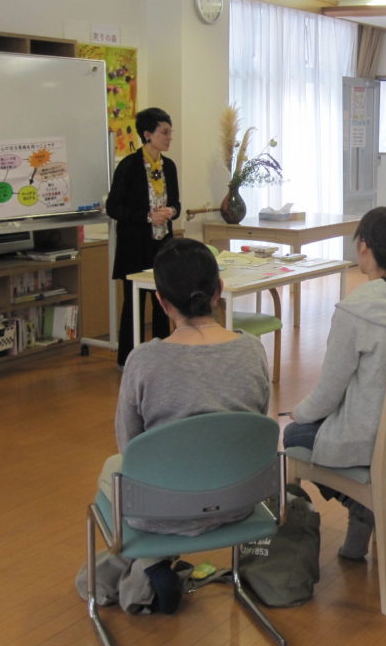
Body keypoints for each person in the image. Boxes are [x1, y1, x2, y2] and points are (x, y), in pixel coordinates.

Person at [93, 238, 270, 613]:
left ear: (161, 301)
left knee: (113, 467)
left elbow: (130, 448)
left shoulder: (143, 360)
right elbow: (253, 428)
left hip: (160, 510)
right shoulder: (252, 349)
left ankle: (147, 564)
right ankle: (149, 566)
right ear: (219, 291)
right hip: (237, 503)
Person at [283, 207, 386, 560]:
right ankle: (360, 519)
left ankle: (362, 503)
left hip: (374, 441)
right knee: (317, 425)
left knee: (294, 435)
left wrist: (299, 412)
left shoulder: (355, 310)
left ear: (364, 246)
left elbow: (327, 395)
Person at [106, 107, 181, 367]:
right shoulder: (129, 166)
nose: (169, 138)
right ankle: (129, 360)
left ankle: (161, 358)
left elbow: (176, 203)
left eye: (170, 132)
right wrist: (148, 217)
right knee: (134, 304)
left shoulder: (169, 166)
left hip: (162, 246)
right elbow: (114, 208)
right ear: (147, 134)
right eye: (164, 133)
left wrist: (171, 211)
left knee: (162, 303)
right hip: (134, 247)